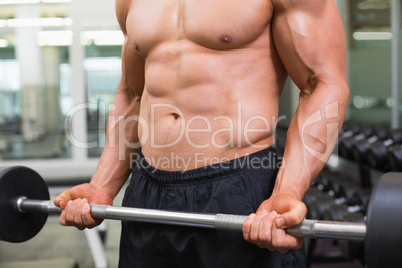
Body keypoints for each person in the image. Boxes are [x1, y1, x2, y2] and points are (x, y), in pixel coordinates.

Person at [55, 0, 349, 267]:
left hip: (238, 189)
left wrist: (286, 192)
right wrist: (103, 184)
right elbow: (133, 94)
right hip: (146, 189)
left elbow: (323, 84)